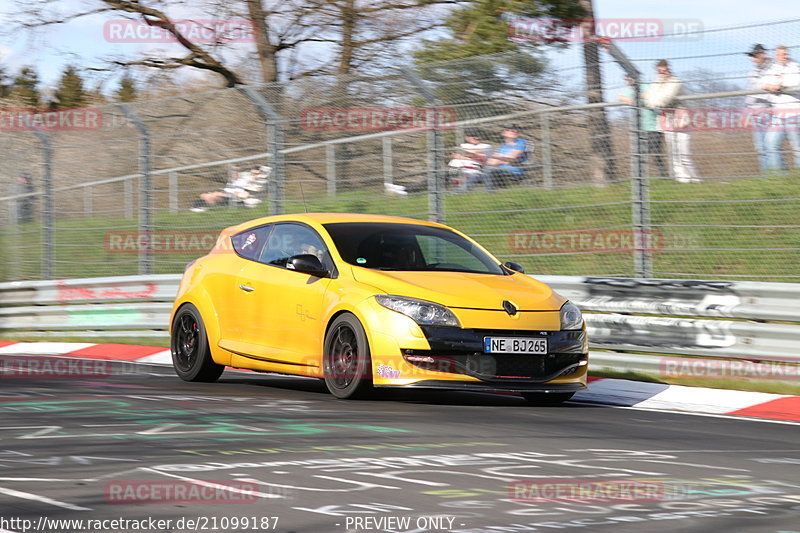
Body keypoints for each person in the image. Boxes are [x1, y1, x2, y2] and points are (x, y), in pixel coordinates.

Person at [644, 59, 700, 183]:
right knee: (674, 154)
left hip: (681, 120)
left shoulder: (676, 81)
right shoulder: (656, 83)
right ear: (657, 71)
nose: (663, 73)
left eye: (665, 71)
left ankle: (695, 180)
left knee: (684, 153)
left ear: (669, 69)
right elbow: (648, 99)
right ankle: (682, 181)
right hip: (667, 120)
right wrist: (653, 101)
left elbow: (666, 99)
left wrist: (653, 102)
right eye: (660, 71)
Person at [619, 75, 668, 178]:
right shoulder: (631, 89)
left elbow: (649, 94)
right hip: (640, 128)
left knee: (656, 152)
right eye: (626, 79)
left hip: (654, 126)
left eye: (629, 78)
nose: (627, 81)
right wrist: (632, 100)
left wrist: (636, 99)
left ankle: (663, 175)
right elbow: (620, 97)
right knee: (640, 153)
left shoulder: (645, 86)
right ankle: (641, 177)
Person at [761, 45, 800, 171]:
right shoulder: (772, 68)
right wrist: (769, 85)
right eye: (781, 54)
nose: (784, 57)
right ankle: (780, 176)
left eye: (786, 54)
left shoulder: (795, 66)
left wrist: (781, 84)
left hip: (795, 112)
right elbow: (762, 82)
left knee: (797, 147)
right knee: (770, 143)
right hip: (778, 114)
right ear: (776, 56)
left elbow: (796, 81)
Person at [468, 124, 529, 191]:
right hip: (497, 172)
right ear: (503, 133)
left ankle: (490, 192)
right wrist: (503, 160)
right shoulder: (502, 146)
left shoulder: (521, 142)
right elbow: (490, 162)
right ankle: (460, 193)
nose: (514, 131)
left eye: (516, 129)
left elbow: (512, 158)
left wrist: (499, 160)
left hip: (513, 172)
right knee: (474, 176)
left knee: (489, 169)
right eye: (510, 130)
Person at [190, 165, 268, 212]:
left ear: (260, 172)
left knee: (213, 196)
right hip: (227, 192)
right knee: (203, 195)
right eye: (252, 172)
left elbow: (253, 191)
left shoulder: (256, 180)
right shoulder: (245, 176)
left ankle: (199, 207)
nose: (253, 174)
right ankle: (199, 207)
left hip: (234, 195)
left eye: (255, 173)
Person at [745, 44, 774, 172]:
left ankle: (778, 175)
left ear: (763, 54)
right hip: (756, 113)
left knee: (772, 146)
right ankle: (766, 177)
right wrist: (747, 113)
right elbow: (751, 93)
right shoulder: (753, 72)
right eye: (752, 56)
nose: (753, 58)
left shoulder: (773, 68)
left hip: (769, 111)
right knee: (760, 148)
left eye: (755, 55)